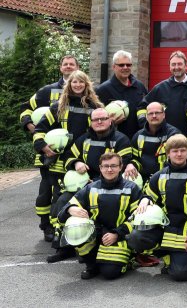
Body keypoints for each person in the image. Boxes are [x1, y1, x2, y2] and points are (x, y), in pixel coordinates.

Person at [48, 106, 132, 263]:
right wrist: (76, 162)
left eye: (103, 119)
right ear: (91, 122)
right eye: (95, 119)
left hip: (109, 186)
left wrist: (99, 182)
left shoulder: (121, 139)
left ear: (110, 120)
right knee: (62, 202)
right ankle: (63, 246)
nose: (99, 122)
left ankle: (92, 247)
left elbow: (122, 165)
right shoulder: (84, 139)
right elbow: (68, 156)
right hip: (84, 186)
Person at [134, 134, 187, 281]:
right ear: (168, 152)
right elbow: (150, 195)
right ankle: (168, 255)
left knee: (181, 274)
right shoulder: (158, 176)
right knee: (136, 237)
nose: (179, 154)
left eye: (183, 150)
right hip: (166, 227)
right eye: (175, 150)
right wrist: (145, 199)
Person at [32, 70, 100, 242]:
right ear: (68, 85)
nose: (77, 85)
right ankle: (52, 229)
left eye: (81, 82)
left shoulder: (94, 107)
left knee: (78, 197)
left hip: (80, 161)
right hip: (56, 162)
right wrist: (44, 148)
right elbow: (40, 130)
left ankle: (78, 230)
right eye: (74, 82)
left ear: (86, 85)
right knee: (52, 196)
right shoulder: (57, 107)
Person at [57, 152, 142, 280]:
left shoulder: (131, 188)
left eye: (113, 166)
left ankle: (129, 260)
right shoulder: (90, 188)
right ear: (100, 168)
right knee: (76, 225)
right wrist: (70, 209)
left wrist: (117, 234)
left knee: (109, 273)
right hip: (97, 233)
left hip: (120, 236)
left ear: (121, 167)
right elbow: (62, 213)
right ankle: (92, 266)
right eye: (105, 166)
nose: (109, 169)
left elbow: (137, 218)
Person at [137, 50, 187, 135]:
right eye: (173, 64)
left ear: (186, 65)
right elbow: (142, 107)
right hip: (165, 139)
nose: (176, 67)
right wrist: (145, 124)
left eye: (179, 64)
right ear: (169, 67)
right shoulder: (160, 88)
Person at [96, 50, 148, 138]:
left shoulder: (139, 86)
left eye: (128, 65)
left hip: (139, 139)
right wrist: (109, 122)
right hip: (115, 141)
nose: (125, 67)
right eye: (121, 65)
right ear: (114, 67)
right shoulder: (103, 90)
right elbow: (95, 119)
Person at [129, 101, 179, 183]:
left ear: (164, 115)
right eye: (150, 113)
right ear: (146, 116)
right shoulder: (138, 136)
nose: (154, 116)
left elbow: (177, 161)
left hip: (166, 179)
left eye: (157, 113)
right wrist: (131, 165)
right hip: (143, 179)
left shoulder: (173, 134)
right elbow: (135, 158)